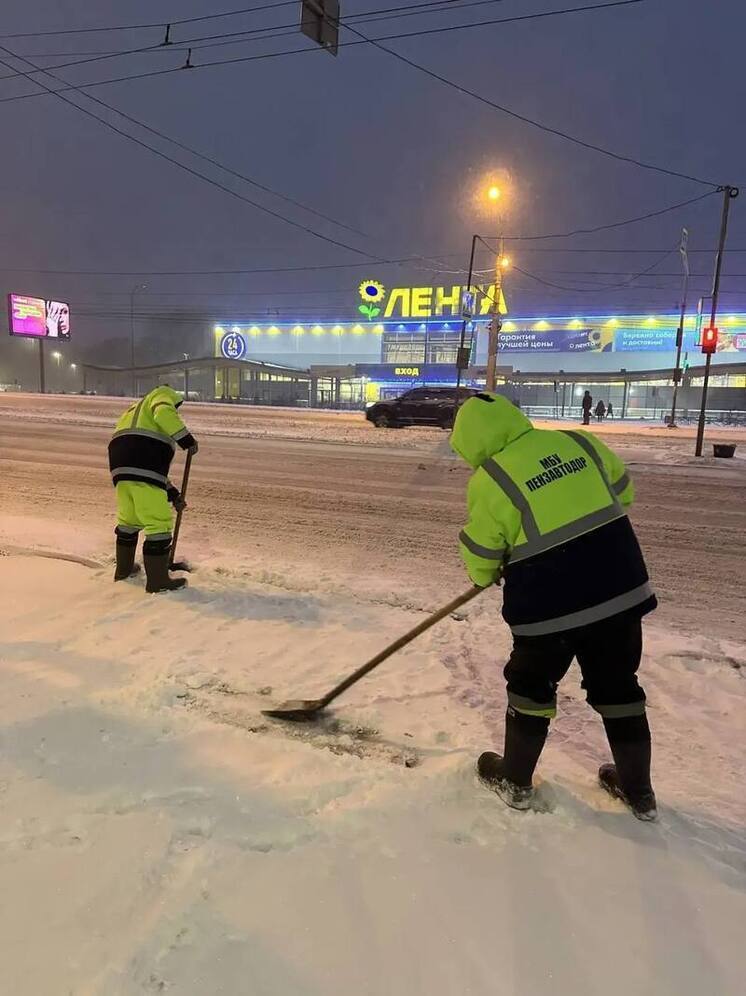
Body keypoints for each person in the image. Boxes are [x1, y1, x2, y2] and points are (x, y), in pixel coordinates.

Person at [450, 393, 658, 820]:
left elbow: (483, 553)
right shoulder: (577, 441)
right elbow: (622, 491)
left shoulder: (491, 478)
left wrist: (487, 574)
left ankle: (515, 779)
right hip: (619, 589)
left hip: (550, 606)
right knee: (618, 683)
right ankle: (639, 792)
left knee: (530, 683)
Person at [108, 385, 198, 593]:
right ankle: (158, 582)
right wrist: (186, 439)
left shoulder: (134, 411)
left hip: (121, 468)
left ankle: (124, 570)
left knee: (128, 521)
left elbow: (149, 477)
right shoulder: (161, 395)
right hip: (142, 461)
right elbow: (163, 413)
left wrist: (173, 494)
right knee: (158, 523)